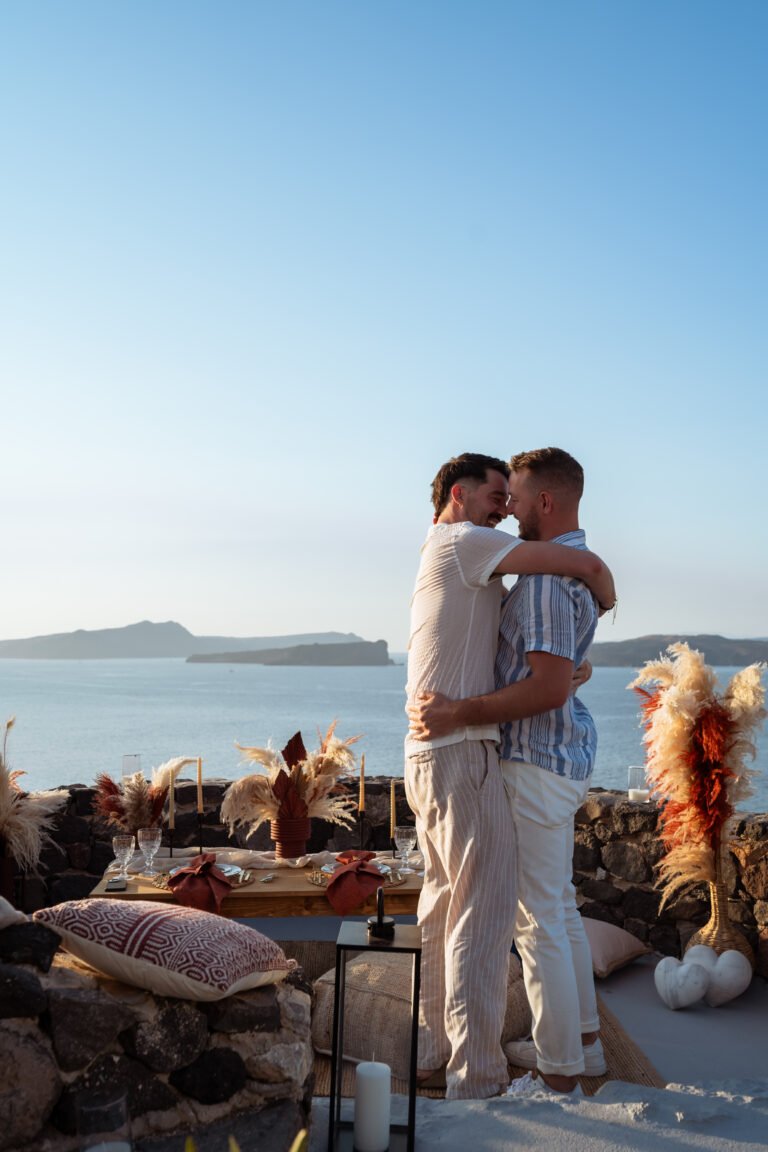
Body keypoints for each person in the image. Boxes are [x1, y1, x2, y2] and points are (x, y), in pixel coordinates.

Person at [405, 452, 615, 1101]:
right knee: (492, 914)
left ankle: (450, 1057)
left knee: (459, 909)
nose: (505, 507)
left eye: (513, 495)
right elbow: (580, 568)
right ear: (459, 495)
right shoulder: (465, 542)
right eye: (497, 495)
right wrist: (600, 577)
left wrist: (570, 669)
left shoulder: (479, 564)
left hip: (448, 752)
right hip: (462, 749)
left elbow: (538, 665)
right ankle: (495, 1069)